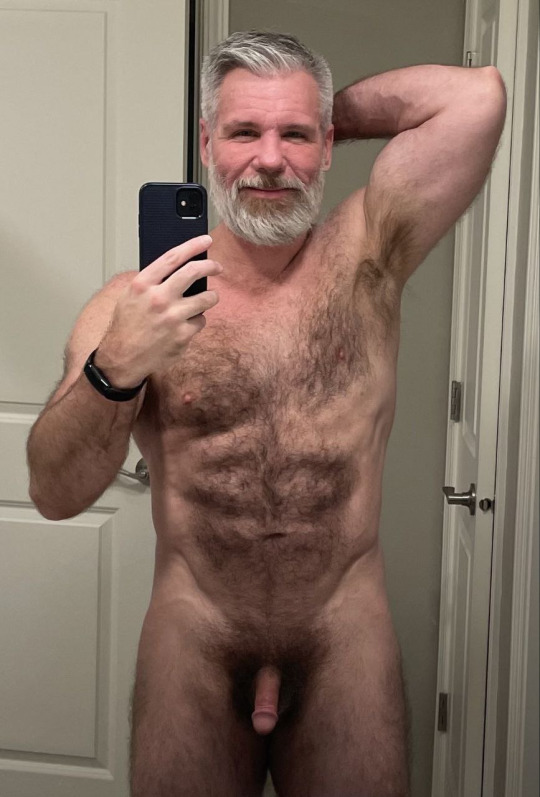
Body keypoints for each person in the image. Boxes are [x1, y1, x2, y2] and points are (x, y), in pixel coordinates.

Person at [27, 30, 506, 797]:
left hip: (342, 635)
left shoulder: (368, 257)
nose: (271, 160)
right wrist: (115, 366)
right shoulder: (135, 305)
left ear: (328, 144)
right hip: (197, 635)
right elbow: (55, 493)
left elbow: (476, 98)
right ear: (207, 144)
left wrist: (328, 112)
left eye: (297, 135)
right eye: (244, 132)